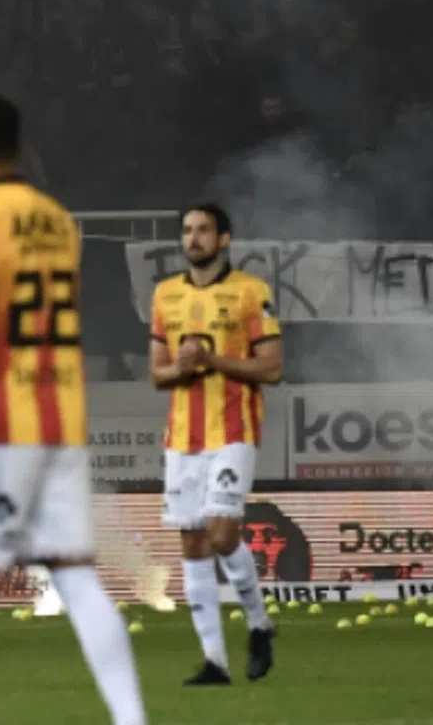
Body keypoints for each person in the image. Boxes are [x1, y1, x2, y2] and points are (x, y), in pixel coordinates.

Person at [0, 94, 146, 725]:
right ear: (18, 147)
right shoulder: (58, 222)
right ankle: (133, 719)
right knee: (76, 577)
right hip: (60, 419)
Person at [148, 204, 285, 685]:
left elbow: (272, 368)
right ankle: (215, 662)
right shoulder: (165, 295)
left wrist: (212, 359)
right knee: (192, 544)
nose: (194, 238)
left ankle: (259, 625)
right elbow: (157, 374)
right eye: (187, 230)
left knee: (223, 534)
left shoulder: (251, 292)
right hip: (181, 438)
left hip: (232, 431)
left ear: (224, 238)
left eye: (204, 229)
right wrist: (181, 369)